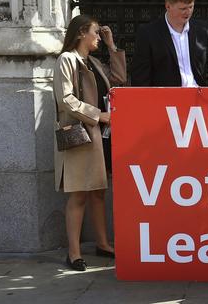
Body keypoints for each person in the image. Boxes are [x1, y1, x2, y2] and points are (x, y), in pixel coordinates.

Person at [53, 14, 126, 271]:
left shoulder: (93, 60)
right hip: (80, 136)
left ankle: (103, 244)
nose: (98, 36)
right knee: (79, 195)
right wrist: (99, 115)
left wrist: (111, 46)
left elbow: (118, 80)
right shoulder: (66, 60)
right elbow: (66, 99)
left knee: (98, 192)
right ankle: (73, 253)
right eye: (96, 32)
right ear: (82, 32)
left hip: (98, 137)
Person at [131, 0, 208, 87]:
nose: (188, 12)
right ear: (168, 6)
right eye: (183, 8)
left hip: (199, 96)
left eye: (191, 7)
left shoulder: (203, 30)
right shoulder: (148, 33)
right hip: (167, 99)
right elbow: (140, 77)